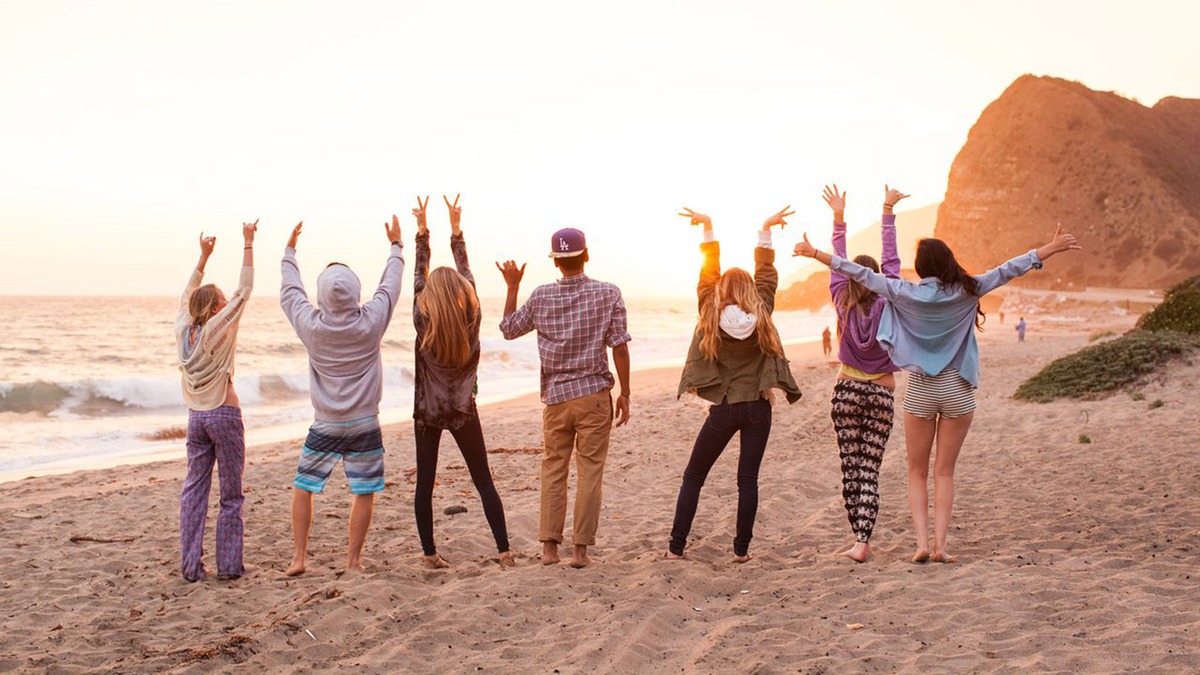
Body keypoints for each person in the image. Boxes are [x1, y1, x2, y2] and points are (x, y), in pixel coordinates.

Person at [794, 224, 1080, 563]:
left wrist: (816, 254)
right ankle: (942, 546)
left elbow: (857, 273)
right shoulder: (968, 290)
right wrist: (1049, 248)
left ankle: (921, 545)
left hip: (922, 391)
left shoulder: (904, 292)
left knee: (917, 471)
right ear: (948, 262)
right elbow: (1008, 269)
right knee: (945, 471)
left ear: (921, 268)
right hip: (957, 388)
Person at [667, 206, 803, 563]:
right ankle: (741, 552)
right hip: (758, 407)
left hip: (725, 408)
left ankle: (676, 547)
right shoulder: (762, 310)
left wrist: (708, 229)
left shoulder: (709, 310)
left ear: (719, 290)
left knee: (694, 477)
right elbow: (766, 275)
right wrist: (765, 231)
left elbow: (708, 274)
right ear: (752, 292)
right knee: (748, 481)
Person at [497, 227, 632, 569]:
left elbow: (509, 329)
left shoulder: (541, 296)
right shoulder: (608, 293)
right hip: (593, 395)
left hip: (557, 398)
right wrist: (626, 392)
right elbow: (619, 346)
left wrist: (512, 286)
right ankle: (581, 552)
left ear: (556, 262)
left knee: (553, 470)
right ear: (586, 255)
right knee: (590, 472)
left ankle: (548, 551)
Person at [280, 217, 404, 576]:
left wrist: (289, 252)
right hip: (365, 422)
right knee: (363, 491)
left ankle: (299, 558)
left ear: (321, 294)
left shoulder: (312, 326)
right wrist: (396, 247)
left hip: (326, 423)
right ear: (355, 291)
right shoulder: (370, 323)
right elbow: (390, 286)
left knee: (304, 486)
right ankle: (353, 560)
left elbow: (290, 293)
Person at [411, 195, 513, 569]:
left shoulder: (422, 320)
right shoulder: (472, 317)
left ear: (428, 299)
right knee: (483, 480)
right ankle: (504, 551)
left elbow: (419, 275)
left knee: (424, 485)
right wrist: (457, 231)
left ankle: (429, 554)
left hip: (427, 414)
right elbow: (466, 274)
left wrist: (422, 231)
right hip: (464, 411)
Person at [822, 185, 907, 563]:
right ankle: (862, 540)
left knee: (850, 468)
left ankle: (859, 540)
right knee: (869, 469)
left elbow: (837, 261)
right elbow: (891, 262)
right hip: (881, 395)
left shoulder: (842, 298)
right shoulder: (889, 300)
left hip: (846, 392)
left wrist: (839, 217)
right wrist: (886, 210)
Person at [175, 220, 257, 582]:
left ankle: (191, 568)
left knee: (194, 492)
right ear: (212, 311)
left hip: (196, 419)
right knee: (231, 495)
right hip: (224, 414)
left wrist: (203, 257)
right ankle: (229, 567)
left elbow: (187, 295)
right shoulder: (214, 329)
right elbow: (245, 290)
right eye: (220, 303)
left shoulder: (183, 329)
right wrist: (248, 243)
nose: (227, 305)